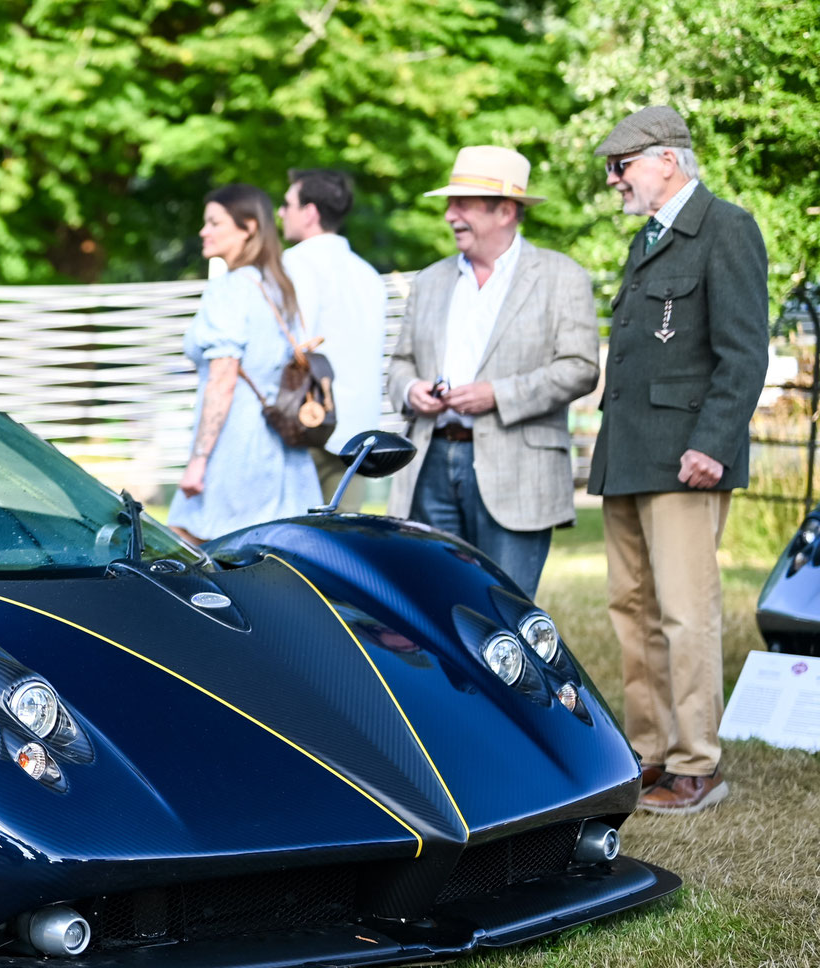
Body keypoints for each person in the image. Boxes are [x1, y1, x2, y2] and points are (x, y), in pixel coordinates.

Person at [589, 106, 769, 814]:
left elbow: (744, 353)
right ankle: (652, 752)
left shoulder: (726, 227)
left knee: (686, 612)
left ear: (667, 159)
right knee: (631, 608)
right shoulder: (649, 238)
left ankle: (697, 764)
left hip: (688, 457)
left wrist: (713, 443)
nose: (614, 180)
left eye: (621, 165)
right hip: (629, 456)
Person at [384, 145, 600, 599]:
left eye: (461, 204)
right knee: (433, 606)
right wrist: (412, 390)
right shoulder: (429, 279)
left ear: (505, 211)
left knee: (506, 613)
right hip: (430, 463)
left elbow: (581, 368)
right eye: (449, 204)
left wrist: (498, 395)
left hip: (518, 470)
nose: (449, 215)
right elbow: (400, 364)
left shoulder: (562, 276)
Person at [167, 185, 323, 545]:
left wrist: (198, 461)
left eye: (214, 222)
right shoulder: (277, 286)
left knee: (189, 557)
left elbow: (222, 381)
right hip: (280, 449)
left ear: (249, 226)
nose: (203, 231)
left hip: (235, 448)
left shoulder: (230, 289)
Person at [279, 168, 388, 511]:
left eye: (287, 204)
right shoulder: (368, 274)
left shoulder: (292, 263)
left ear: (310, 212)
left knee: (287, 549)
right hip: (356, 436)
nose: (281, 213)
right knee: (337, 546)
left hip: (304, 426)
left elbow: (284, 344)